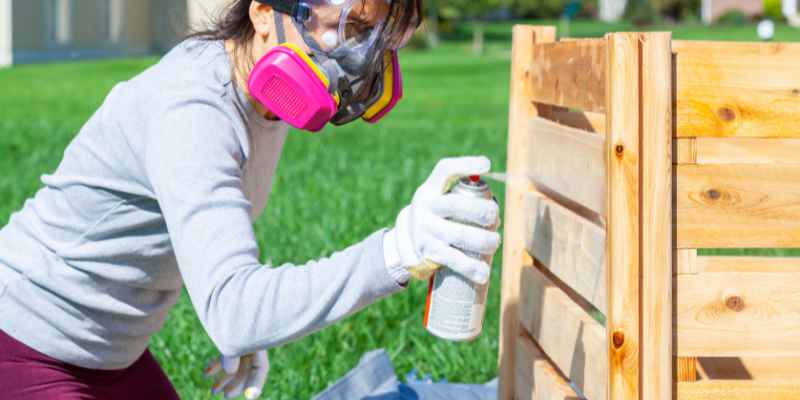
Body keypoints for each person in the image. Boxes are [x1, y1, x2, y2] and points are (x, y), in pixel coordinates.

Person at [0, 0, 501, 398]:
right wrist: (396, 253)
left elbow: (216, 246)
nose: (360, 60)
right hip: (23, 346)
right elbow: (234, 312)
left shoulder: (261, 98)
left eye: (375, 37)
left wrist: (255, 322)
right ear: (264, 13)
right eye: (347, 30)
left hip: (114, 355)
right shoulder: (194, 110)